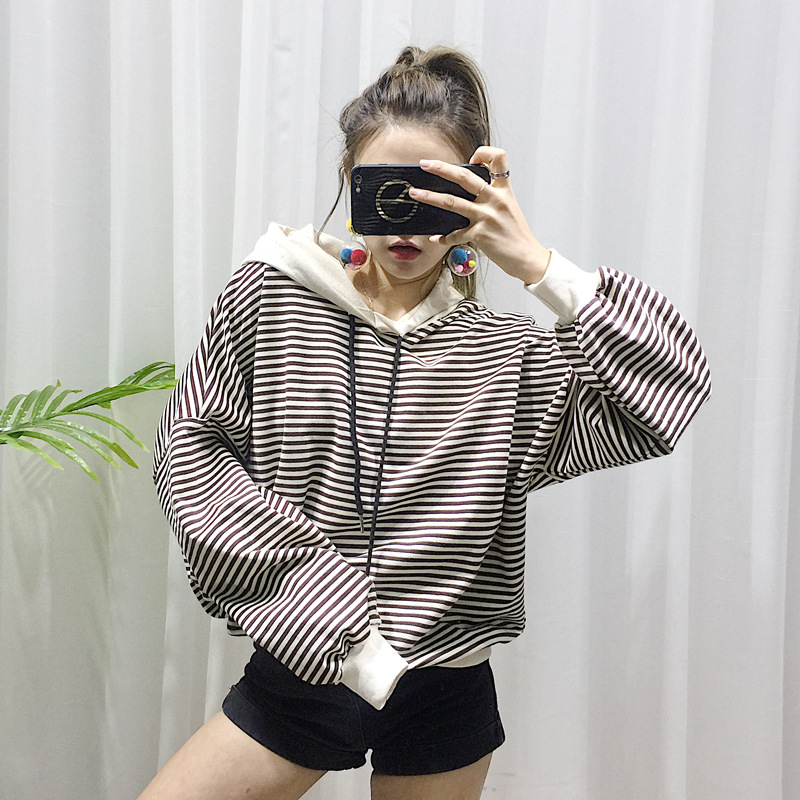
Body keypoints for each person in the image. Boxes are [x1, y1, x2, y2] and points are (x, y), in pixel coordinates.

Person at [139, 45, 711, 800]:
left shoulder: (510, 355)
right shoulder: (271, 299)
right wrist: (323, 608)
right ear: (348, 181)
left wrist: (536, 263)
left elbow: (671, 389)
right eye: (384, 188)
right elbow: (187, 454)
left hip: (448, 691)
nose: (406, 220)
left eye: (436, 191)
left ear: (475, 193)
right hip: (304, 670)